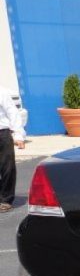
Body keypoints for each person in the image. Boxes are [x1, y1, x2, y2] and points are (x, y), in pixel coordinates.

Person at [0, 84, 26, 212]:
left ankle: (6, 199)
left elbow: (13, 112)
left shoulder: (2, 92)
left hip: (2, 133)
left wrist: (18, 135)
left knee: (7, 167)